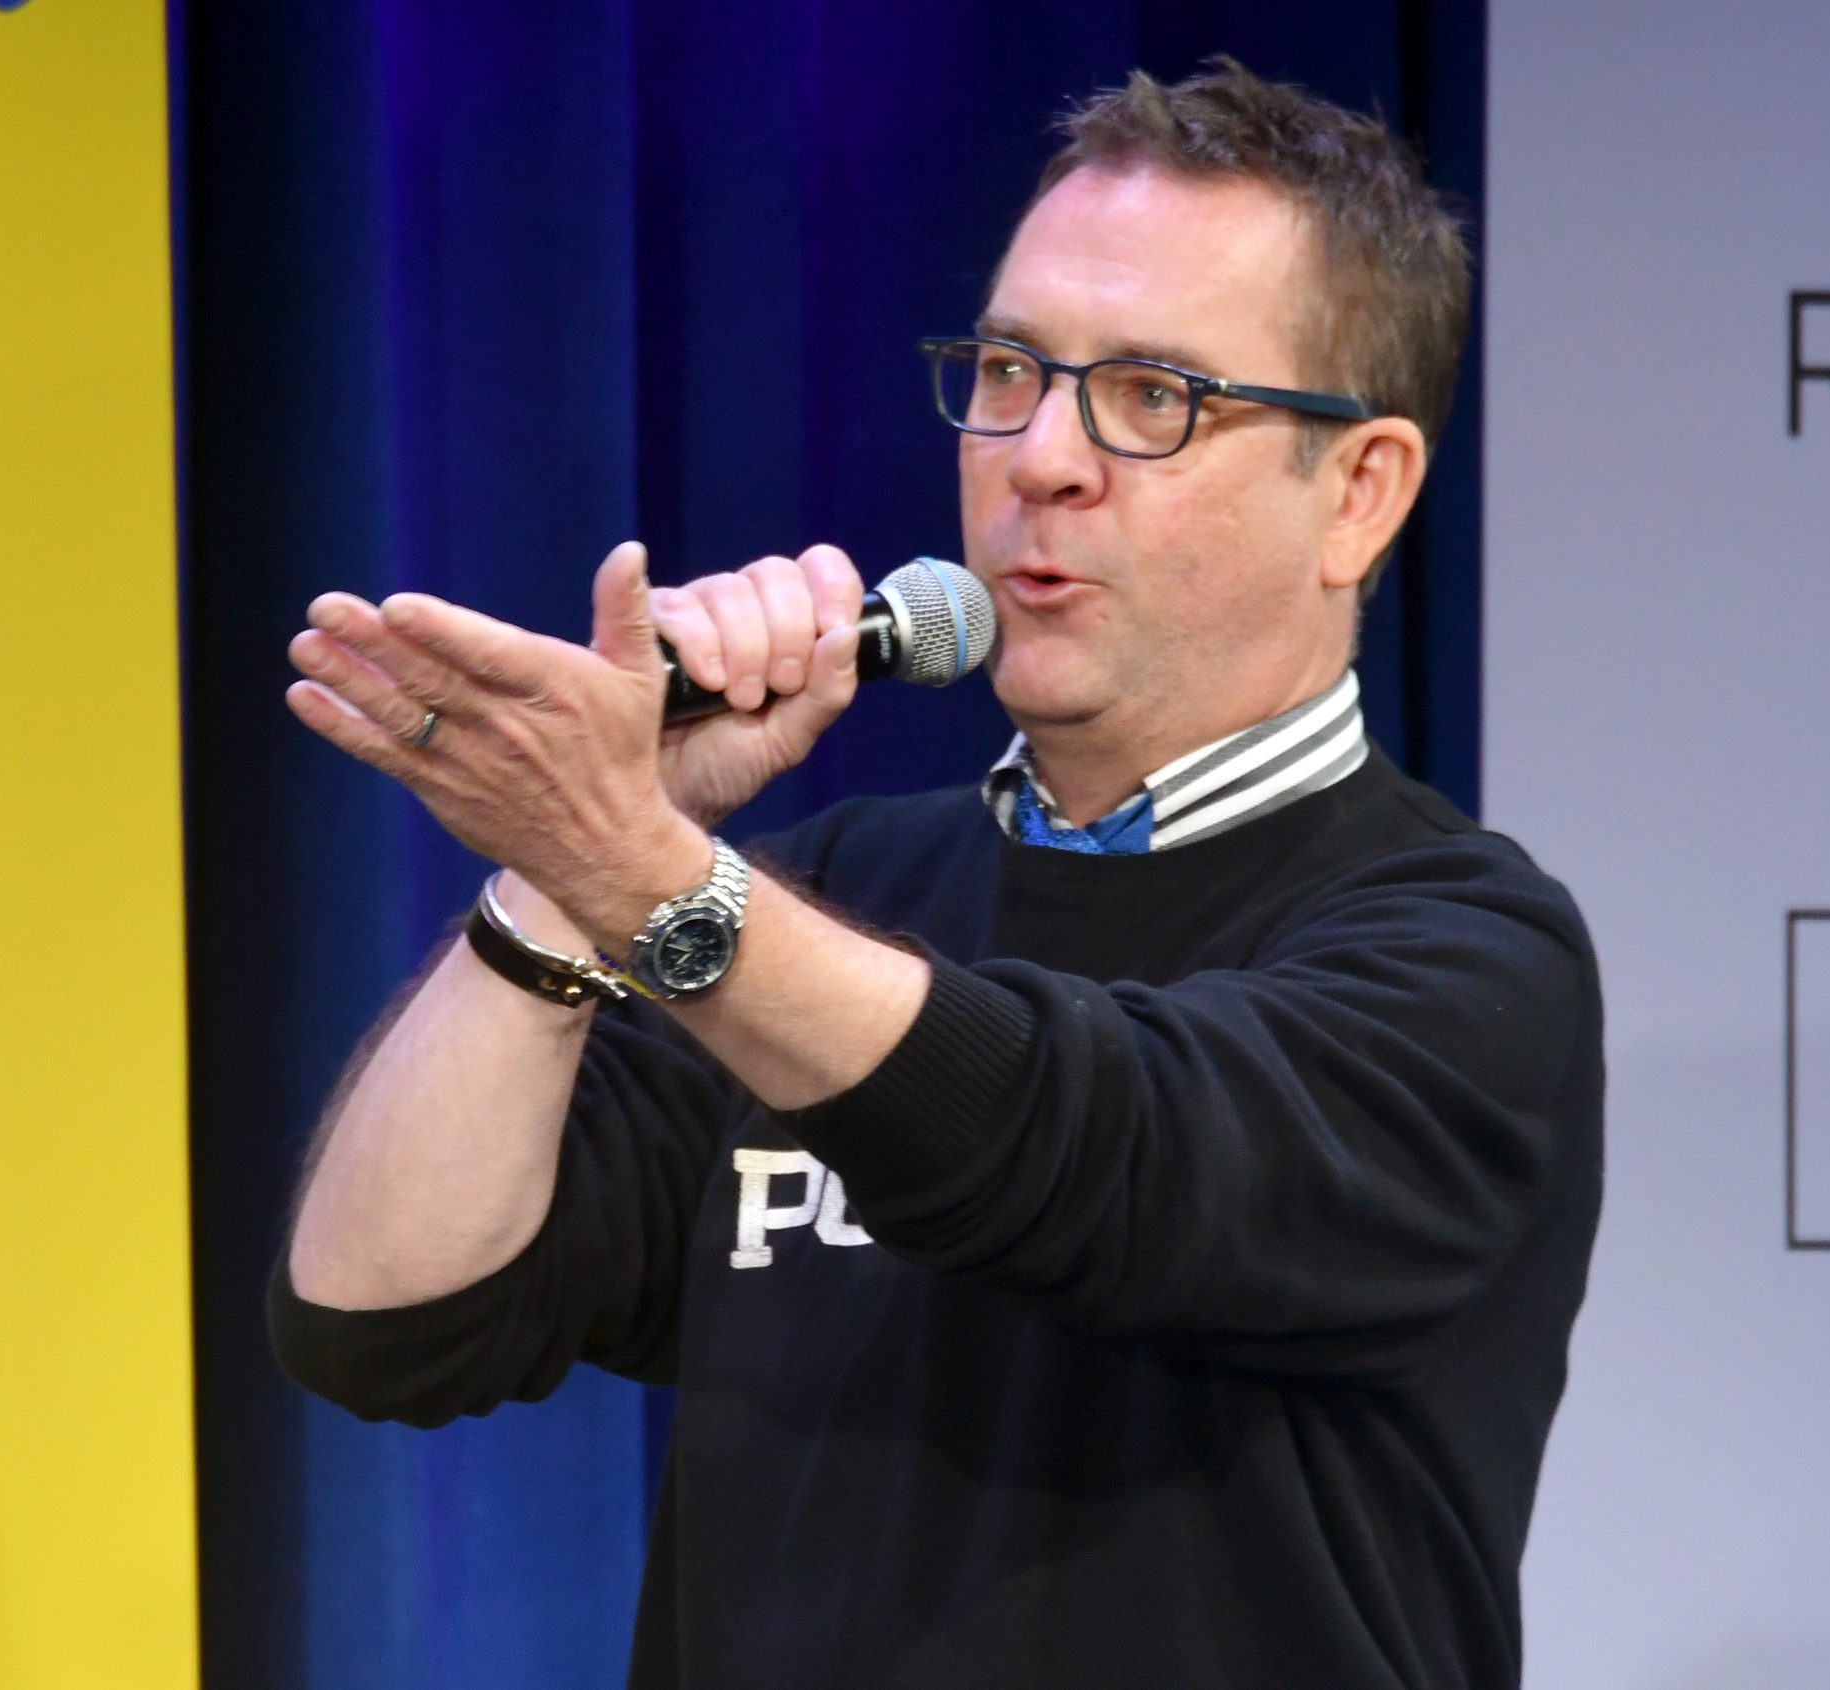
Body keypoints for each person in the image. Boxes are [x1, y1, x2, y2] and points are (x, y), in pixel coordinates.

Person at [268, 58, 1601, 1690]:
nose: (1039, 457)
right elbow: (381, 1316)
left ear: (1361, 493)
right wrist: (571, 865)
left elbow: (1074, 1145)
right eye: (1012, 369)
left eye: (1153, 398)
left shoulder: (1463, 958)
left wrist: (646, 875)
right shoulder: (825, 892)